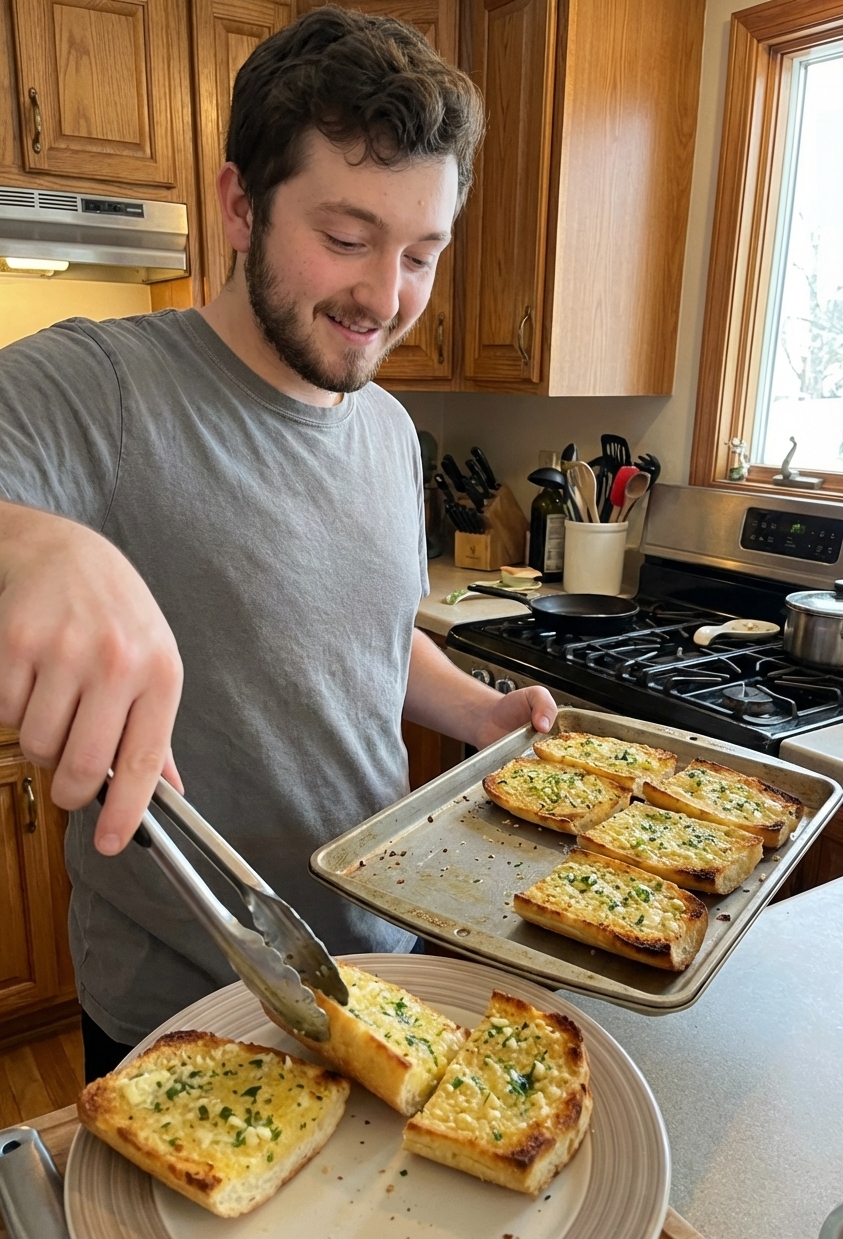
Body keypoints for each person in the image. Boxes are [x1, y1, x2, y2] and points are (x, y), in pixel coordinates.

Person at [0, 7, 556, 1079]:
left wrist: (480, 711)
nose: (385, 297)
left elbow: (362, 637)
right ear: (240, 205)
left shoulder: (392, 431)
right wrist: (33, 547)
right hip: (185, 1011)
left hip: (382, 970)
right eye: (346, 239)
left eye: (421, 255)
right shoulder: (102, 389)